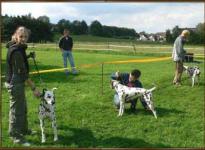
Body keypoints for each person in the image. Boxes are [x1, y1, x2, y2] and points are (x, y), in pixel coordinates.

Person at [5, 26, 41, 146]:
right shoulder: (15, 51)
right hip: (14, 83)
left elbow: (21, 61)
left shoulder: (19, 49)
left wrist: (29, 56)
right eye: (21, 36)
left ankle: (24, 130)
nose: (24, 39)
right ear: (16, 36)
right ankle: (15, 135)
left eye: (25, 36)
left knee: (23, 107)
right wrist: (34, 88)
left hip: (18, 81)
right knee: (16, 110)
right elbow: (23, 73)